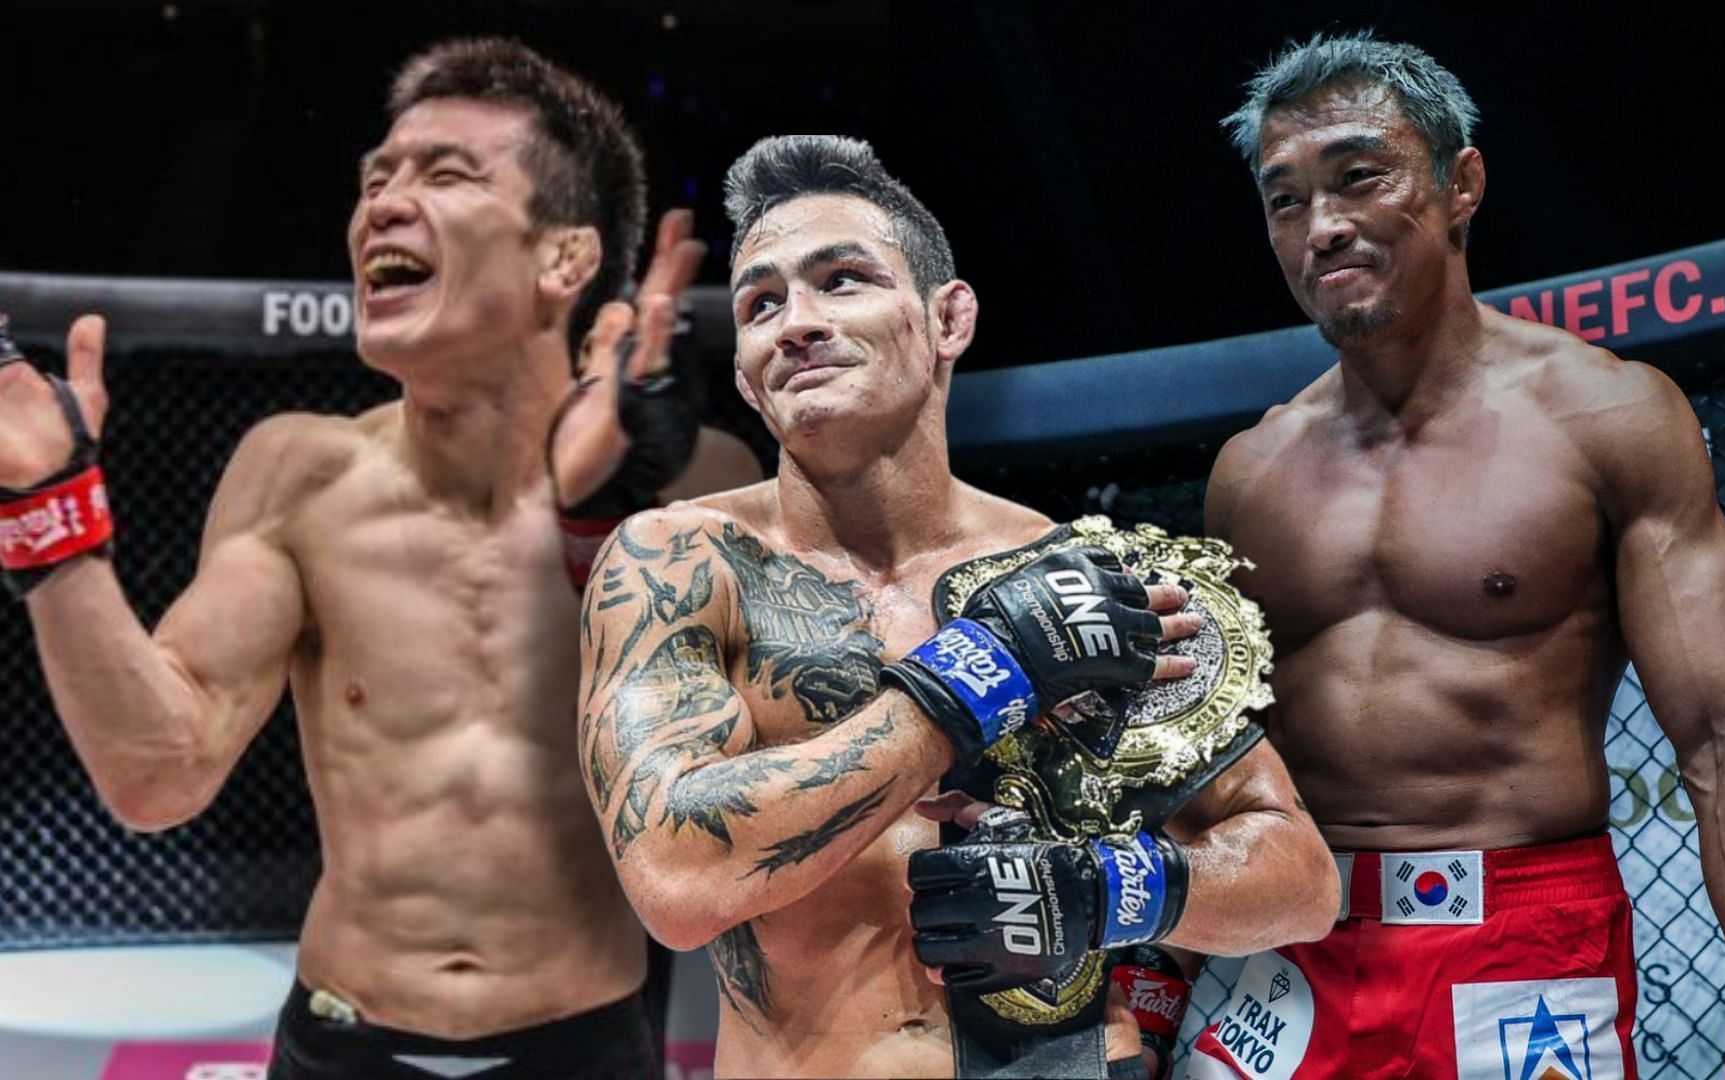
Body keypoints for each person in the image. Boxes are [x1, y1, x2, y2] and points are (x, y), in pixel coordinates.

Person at [0, 38, 759, 1080]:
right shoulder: (298, 474)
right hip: (342, 1043)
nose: (381, 206)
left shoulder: (705, 483)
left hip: (585, 1045)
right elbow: (158, 774)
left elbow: (750, 806)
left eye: (445, 174)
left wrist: (615, 521)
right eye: (375, 179)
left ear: (564, 259)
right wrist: (48, 519)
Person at [577, 134, 1341, 1080]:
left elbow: (1302, 881)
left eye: (842, 279)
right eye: (761, 303)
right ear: (743, 375)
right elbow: (677, 879)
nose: (796, 323)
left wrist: (1109, 888)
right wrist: (969, 681)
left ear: (949, 318)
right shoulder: (681, 562)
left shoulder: (1077, 574)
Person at [1194, 32, 1725, 1080]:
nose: (1323, 227)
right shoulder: (1248, 473)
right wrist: (1147, 976)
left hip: (1521, 945)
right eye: (1285, 201)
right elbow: (1212, 757)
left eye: (1359, 178)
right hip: (1285, 950)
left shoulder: (1606, 417)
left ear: (1462, 184)